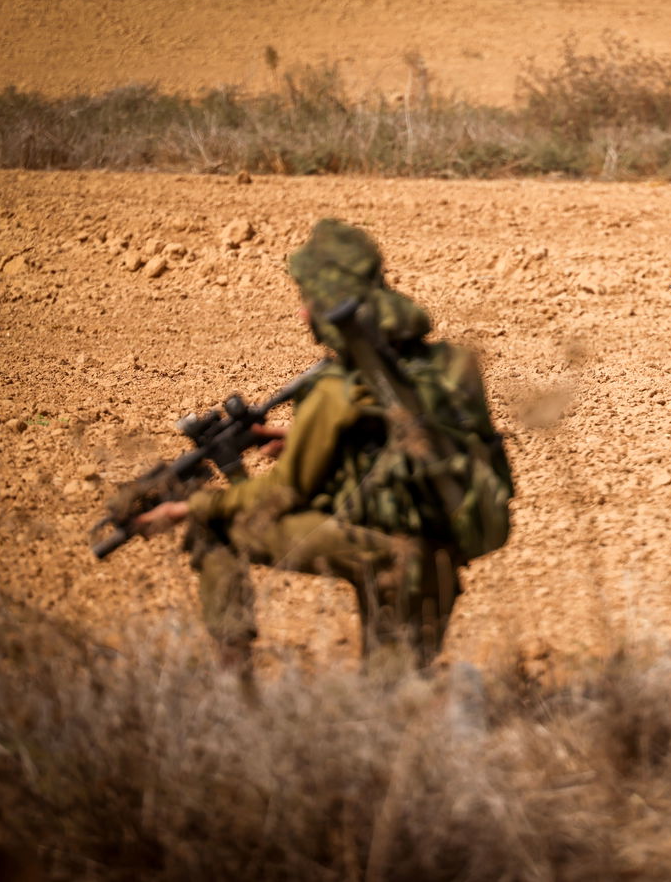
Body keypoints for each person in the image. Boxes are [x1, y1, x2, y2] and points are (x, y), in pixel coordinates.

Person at [134, 220, 511, 672]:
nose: (300, 315)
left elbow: (281, 495)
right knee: (397, 705)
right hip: (442, 558)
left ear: (328, 303)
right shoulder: (454, 364)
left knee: (214, 527)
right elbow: (422, 436)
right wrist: (303, 439)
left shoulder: (334, 390)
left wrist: (187, 509)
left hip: (379, 552)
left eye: (306, 301)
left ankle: (232, 682)